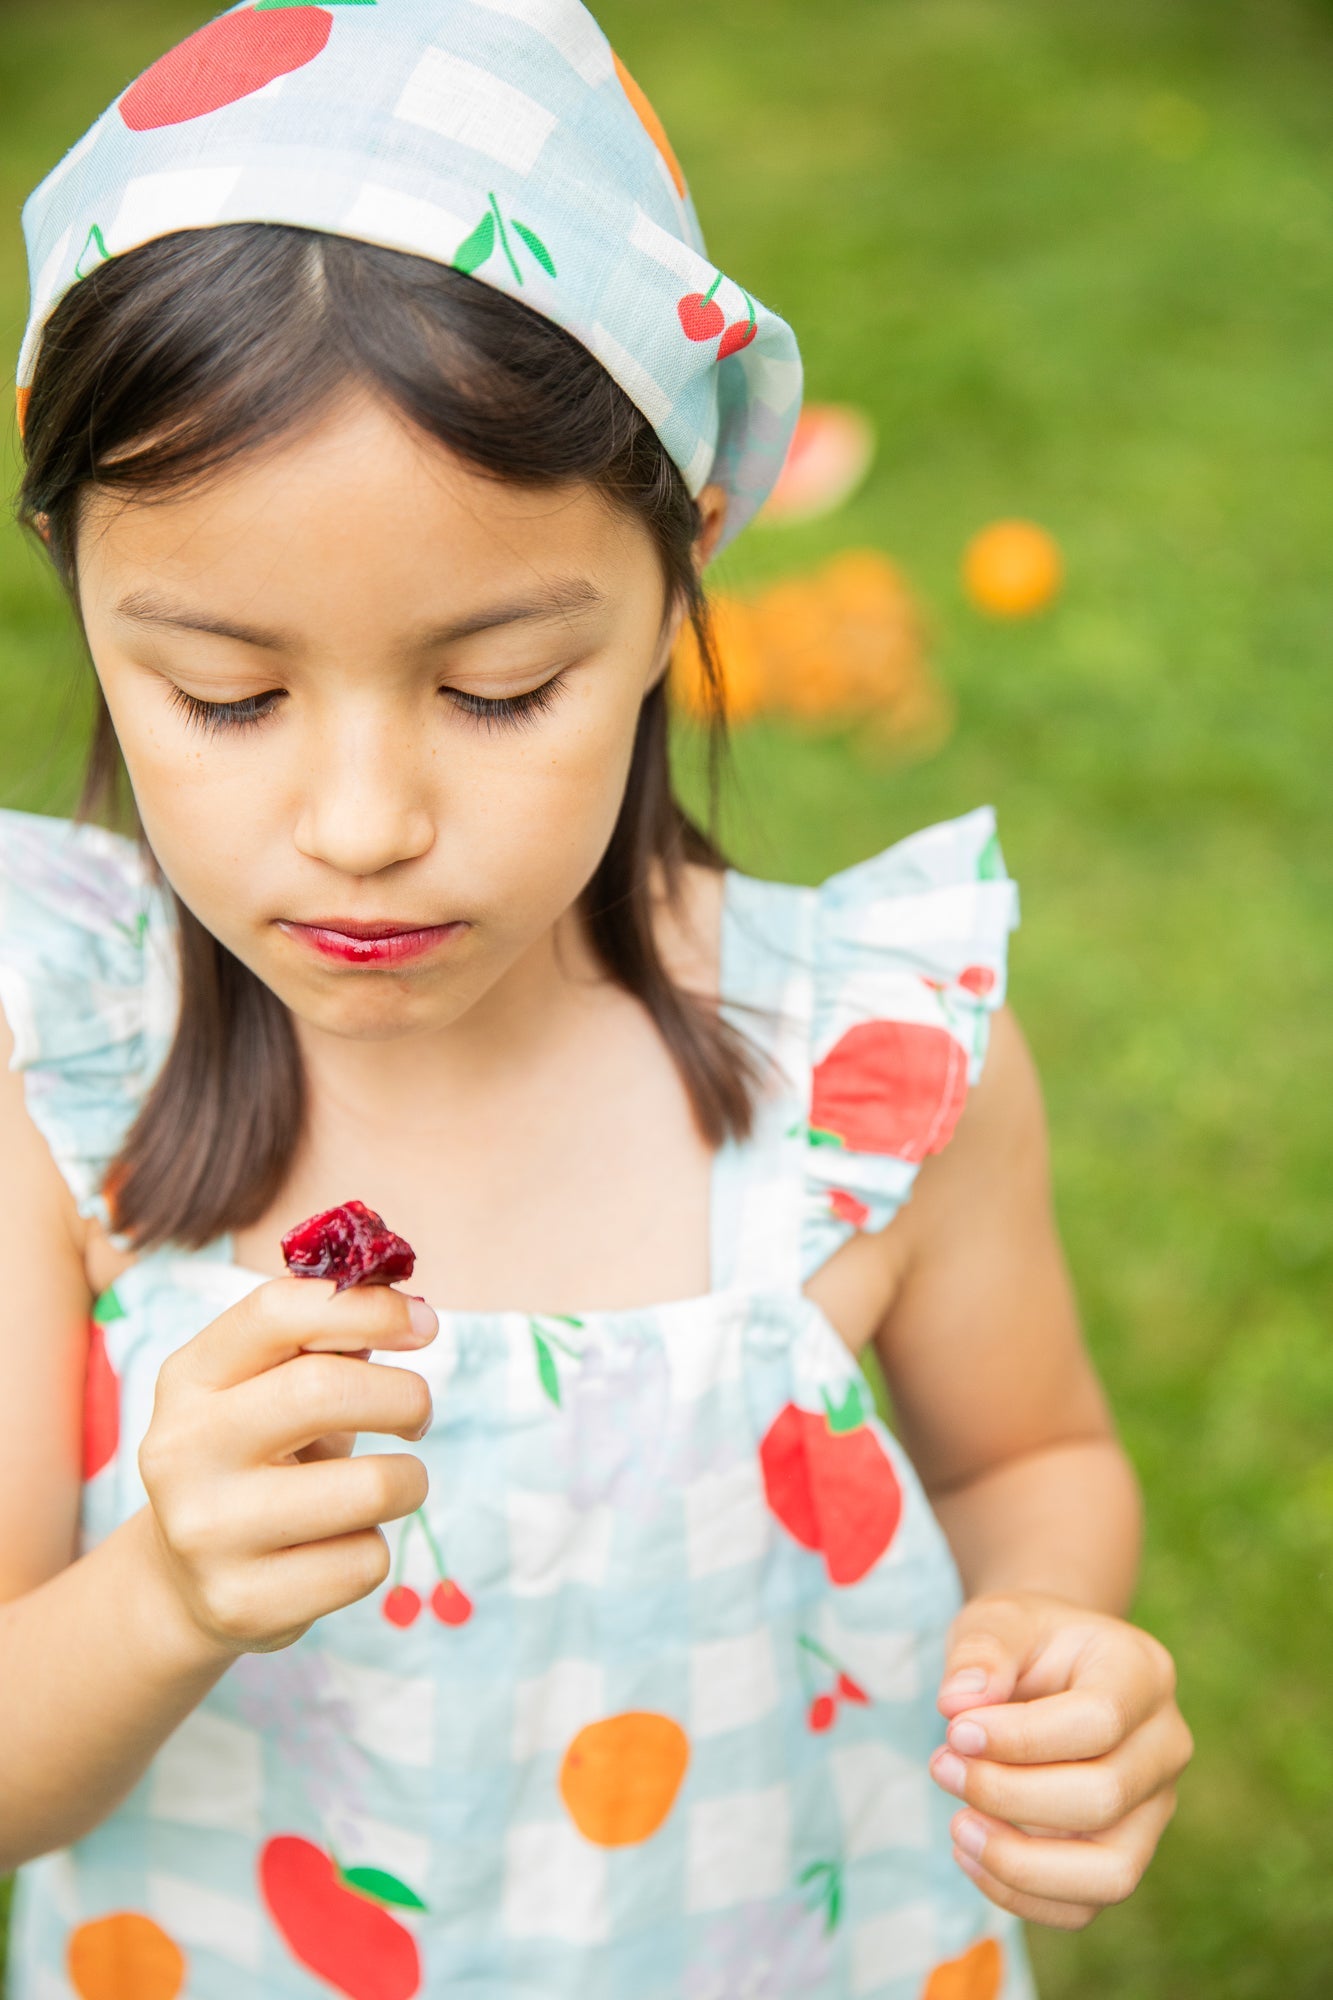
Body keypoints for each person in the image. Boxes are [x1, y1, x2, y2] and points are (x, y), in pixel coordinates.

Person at [0, 3, 1192, 1994]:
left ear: (680, 568)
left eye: (493, 688)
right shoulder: (55, 1088)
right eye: (224, 692)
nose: (361, 821)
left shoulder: (876, 1068)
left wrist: (1048, 1646)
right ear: (78, 590)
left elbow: (1028, 1461)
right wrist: (164, 1592)